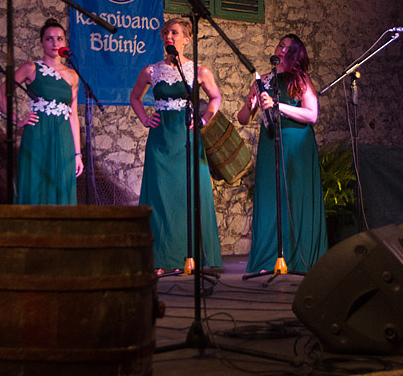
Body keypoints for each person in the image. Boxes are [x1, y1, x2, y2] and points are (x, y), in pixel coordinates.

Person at [129, 17, 223, 272]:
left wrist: (204, 119)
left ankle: (190, 257)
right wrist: (145, 118)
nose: (169, 36)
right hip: (161, 140)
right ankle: (160, 259)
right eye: (166, 33)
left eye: (174, 32)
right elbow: (135, 97)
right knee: (160, 198)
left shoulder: (199, 71)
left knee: (188, 196)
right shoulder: (151, 71)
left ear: (186, 39)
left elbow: (215, 97)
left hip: (187, 138)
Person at [237, 34, 327, 273]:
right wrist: (249, 105)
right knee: (271, 197)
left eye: (288, 48)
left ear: (296, 54)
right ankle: (270, 259)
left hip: (296, 144)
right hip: (270, 143)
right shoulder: (263, 81)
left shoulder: (300, 79)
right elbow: (243, 119)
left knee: (295, 197)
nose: (282, 50)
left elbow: (311, 114)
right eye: (280, 45)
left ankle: (299, 258)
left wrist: (278, 106)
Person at [0, 18, 83, 204]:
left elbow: (73, 116)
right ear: (41, 43)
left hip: (63, 137)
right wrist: (16, 121)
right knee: (35, 184)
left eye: (59, 39)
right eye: (49, 39)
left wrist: (78, 154)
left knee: (61, 186)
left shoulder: (72, 75)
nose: (55, 43)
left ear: (65, 42)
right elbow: (1, 93)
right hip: (38, 134)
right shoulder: (31, 68)